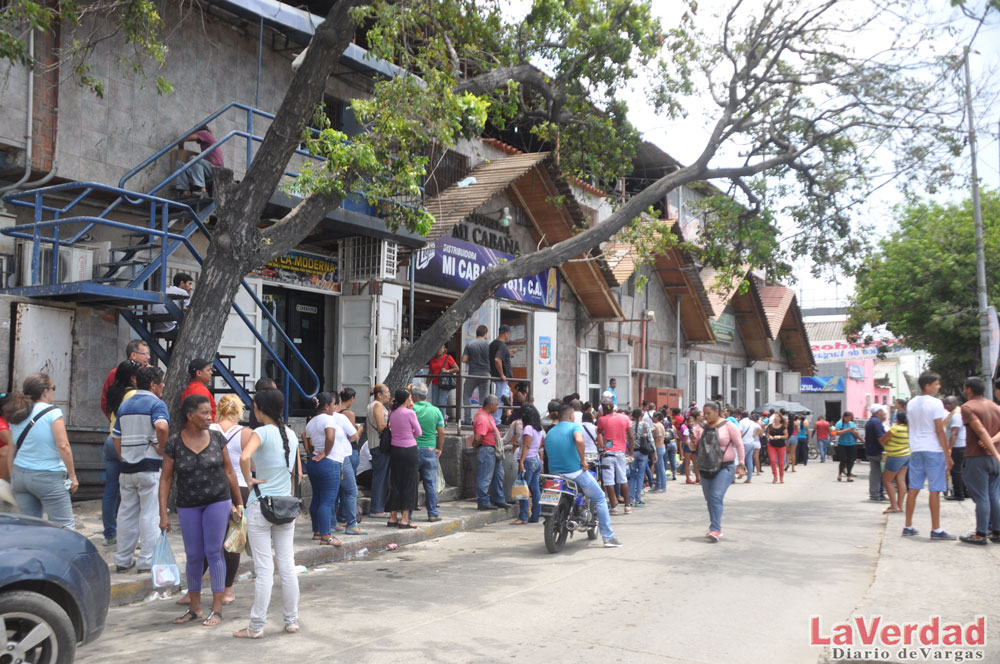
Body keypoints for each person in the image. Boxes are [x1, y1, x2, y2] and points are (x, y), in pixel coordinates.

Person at [160, 394, 243, 627]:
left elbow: (229, 472)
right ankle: (195, 607)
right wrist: (163, 513)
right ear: (190, 415)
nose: (209, 417)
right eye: (204, 413)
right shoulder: (175, 443)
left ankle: (216, 608)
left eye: (210, 413)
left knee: (214, 552)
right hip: (188, 505)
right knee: (194, 554)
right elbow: (165, 479)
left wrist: (239, 503)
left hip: (218, 501)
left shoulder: (218, 438)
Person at [233, 389, 300, 638]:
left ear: (260, 409)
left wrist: (249, 479)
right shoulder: (290, 434)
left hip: (261, 505)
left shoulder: (260, 432)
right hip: (285, 506)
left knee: (264, 570)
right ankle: (291, 621)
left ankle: (256, 626)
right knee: (287, 565)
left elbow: (244, 456)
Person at [113, 366, 169, 574]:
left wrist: (123, 456)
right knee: (149, 514)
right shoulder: (157, 404)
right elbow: (162, 427)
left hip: (127, 467)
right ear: (153, 385)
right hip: (150, 466)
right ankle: (146, 561)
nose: (163, 386)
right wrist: (162, 449)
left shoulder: (125, 405)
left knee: (126, 513)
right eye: (161, 383)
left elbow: (116, 436)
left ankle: (123, 559)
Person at [5, 373, 77, 528]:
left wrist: (13, 476)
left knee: (29, 527)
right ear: (45, 391)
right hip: (48, 476)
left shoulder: (17, 413)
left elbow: (12, 449)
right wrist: (72, 475)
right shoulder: (52, 412)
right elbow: (63, 445)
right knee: (64, 527)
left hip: (20, 475)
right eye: (53, 388)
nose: (53, 392)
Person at [546, 403, 622, 547]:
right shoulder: (575, 427)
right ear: (571, 415)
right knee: (600, 498)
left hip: (555, 474)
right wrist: (582, 461)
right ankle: (608, 538)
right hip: (574, 473)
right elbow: (579, 440)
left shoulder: (550, 432)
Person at [207, 394, 256, 603]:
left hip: (211, 488)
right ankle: (227, 590)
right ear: (239, 411)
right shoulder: (246, 433)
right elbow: (252, 464)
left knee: (207, 539)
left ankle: (194, 589)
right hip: (241, 489)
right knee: (234, 540)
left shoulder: (208, 430)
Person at [902, 371, 956, 540]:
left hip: (916, 448)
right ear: (928, 385)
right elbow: (939, 430)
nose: (938, 387)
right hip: (933, 448)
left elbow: (911, 427)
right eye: (936, 384)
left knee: (914, 487)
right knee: (935, 489)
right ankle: (936, 529)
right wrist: (947, 453)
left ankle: (908, 525)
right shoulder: (936, 403)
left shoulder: (910, 403)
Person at [688, 401, 746, 542]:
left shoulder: (728, 426)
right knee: (710, 500)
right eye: (704, 413)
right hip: (705, 467)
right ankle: (715, 527)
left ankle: (715, 528)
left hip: (724, 467)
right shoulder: (700, 427)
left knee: (715, 496)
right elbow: (692, 447)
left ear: (716, 411)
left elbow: (739, 444)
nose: (706, 416)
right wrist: (691, 441)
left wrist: (742, 465)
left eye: (708, 413)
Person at [957, 377, 1000, 546]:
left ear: (968, 389)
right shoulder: (994, 406)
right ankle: (996, 531)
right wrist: (995, 451)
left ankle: (980, 534)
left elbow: (980, 430)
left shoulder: (967, 407)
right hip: (994, 457)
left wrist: (991, 449)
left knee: (982, 497)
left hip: (977, 457)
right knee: (993, 495)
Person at [102, 360, 140, 546]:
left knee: (111, 490)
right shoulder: (133, 394)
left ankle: (110, 534)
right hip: (126, 443)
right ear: (133, 377)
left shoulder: (114, 392)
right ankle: (130, 536)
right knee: (131, 492)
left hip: (111, 440)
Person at [304, 393, 348, 546]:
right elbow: (330, 437)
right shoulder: (329, 419)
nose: (335, 408)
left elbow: (306, 439)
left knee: (317, 497)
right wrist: (326, 452)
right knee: (327, 501)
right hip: (330, 461)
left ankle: (317, 531)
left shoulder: (311, 422)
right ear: (326, 406)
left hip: (314, 462)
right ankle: (326, 535)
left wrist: (313, 453)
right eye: (334, 404)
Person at [386, 388, 422, 528]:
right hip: (409, 449)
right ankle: (405, 518)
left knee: (395, 482)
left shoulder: (392, 413)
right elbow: (418, 432)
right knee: (409, 483)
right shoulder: (410, 413)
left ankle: (393, 516)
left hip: (395, 449)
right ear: (406, 399)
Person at [410, 382, 444, 523]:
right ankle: (433, 513)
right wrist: (439, 448)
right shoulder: (436, 411)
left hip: (413, 448)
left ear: (414, 396)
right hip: (430, 449)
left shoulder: (411, 409)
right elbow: (441, 432)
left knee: (411, 482)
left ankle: (408, 514)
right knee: (430, 483)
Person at [597, 401, 633, 514]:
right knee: (623, 479)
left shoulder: (602, 420)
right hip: (621, 453)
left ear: (603, 409)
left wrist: (603, 445)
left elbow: (599, 432)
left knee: (608, 481)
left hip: (607, 453)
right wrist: (631, 452)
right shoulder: (625, 418)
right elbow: (631, 437)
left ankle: (613, 507)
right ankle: (627, 506)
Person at [512, 404, 545, 525]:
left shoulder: (528, 429)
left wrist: (521, 461)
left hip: (528, 460)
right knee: (535, 490)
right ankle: (535, 515)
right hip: (536, 460)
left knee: (523, 489)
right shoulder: (538, 428)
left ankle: (523, 517)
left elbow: (526, 445)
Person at [473, 394, 508, 510]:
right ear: (491, 405)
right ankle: (483, 501)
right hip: (487, 449)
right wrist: (475, 446)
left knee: (498, 476)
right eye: (497, 405)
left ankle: (499, 499)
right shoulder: (482, 418)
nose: (498, 407)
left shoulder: (487, 415)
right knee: (485, 477)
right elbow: (478, 437)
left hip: (493, 450)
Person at [101, 340, 151, 418]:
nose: (148, 357)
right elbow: (105, 402)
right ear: (134, 355)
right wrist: (115, 419)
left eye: (148, 354)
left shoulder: (150, 372)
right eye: (144, 354)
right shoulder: (116, 373)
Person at [173, 125, 224, 197]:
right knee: (179, 164)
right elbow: (181, 148)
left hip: (216, 169)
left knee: (193, 158)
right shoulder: (204, 143)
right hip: (207, 169)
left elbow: (186, 138)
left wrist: (182, 140)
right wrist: (181, 145)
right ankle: (186, 191)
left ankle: (202, 190)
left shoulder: (205, 133)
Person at [366, 384, 391, 516]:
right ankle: (376, 509)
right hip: (379, 445)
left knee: (381, 477)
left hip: (377, 445)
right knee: (380, 478)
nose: (389, 394)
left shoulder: (375, 405)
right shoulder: (376, 406)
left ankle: (379, 507)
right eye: (386, 392)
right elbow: (381, 426)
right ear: (379, 394)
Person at [879, 411, 910, 514]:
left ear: (898, 419)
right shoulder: (910, 429)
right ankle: (900, 505)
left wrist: (888, 446)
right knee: (901, 480)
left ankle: (893, 506)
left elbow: (883, 440)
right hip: (906, 455)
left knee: (887, 480)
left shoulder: (895, 428)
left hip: (895, 456)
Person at [461, 325, 491, 425]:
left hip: (473, 374)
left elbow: (464, 359)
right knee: (483, 399)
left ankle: (468, 420)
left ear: (476, 333)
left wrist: (472, 359)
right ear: (485, 334)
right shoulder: (488, 345)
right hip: (486, 374)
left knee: (467, 396)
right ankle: (482, 421)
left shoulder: (470, 344)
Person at [151, 272, 194, 340]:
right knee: (191, 334)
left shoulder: (165, 290)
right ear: (182, 283)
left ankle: (173, 349)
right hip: (168, 328)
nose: (191, 287)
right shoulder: (182, 292)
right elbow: (189, 309)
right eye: (189, 284)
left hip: (155, 328)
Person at [629, 408, 655, 507]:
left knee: (632, 476)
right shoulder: (645, 425)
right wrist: (654, 452)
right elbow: (650, 439)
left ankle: (630, 499)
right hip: (643, 452)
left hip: (632, 452)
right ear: (641, 416)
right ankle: (638, 499)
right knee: (640, 476)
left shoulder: (629, 425)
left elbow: (627, 438)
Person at [944, 396, 968, 502]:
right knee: (959, 470)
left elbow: (955, 433)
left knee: (955, 471)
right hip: (958, 446)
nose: (947, 406)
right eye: (946, 404)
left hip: (957, 447)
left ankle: (958, 494)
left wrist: (950, 449)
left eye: (950, 403)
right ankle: (964, 491)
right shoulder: (954, 414)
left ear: (956, 403)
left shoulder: (956, 415)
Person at [489, 325, 514, 426]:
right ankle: (497, 421)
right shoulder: (502, 346)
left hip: (494, 374)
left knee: (503, 392)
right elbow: (497, 359)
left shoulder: (492, 344)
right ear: (506, 333)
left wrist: (508, 353)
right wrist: (502, 374)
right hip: (501, 377)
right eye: (509, 333)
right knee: (499, 397)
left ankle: (506, 396)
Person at [428, 344, 458, 420]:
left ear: (444, 349)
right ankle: (437, 419)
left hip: (445, 383)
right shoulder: (432, 359)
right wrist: (426, 385)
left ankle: (442, 421)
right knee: (434, 403)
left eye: (440, 348)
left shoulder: (448, 357)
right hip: (435, 383)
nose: (438, 350)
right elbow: (430, 372)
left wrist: (447, 371)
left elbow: (457, 368)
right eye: (437, 348)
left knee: (442, 402)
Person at [864, 406, 888, 502]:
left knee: (876, 472)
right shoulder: (876, 422)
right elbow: (880, 437)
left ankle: (877, 493)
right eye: (883, 412)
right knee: (879, 473)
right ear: (878, 412)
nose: (884, 414)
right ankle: (876, 494)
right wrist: (886, 449)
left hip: (871, 451)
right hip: (878, 451)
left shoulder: (871, 421)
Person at [833, 412, 859, 482]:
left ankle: (849, 475)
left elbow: (857, 433)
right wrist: (847, 430)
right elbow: (837, 433)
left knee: (851, 461)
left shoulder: (852, 424)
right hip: (842, 444)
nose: (849, 419)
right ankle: (840, 474)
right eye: (848, 418)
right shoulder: (839, 423)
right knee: (843, 460)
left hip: (852, 444)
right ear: (844, 417)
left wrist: (853, 431)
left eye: (850, 418)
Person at [739, 410, 763, 484]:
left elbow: (740, 433)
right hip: (751, 443)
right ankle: (749, 478)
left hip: (744, 443)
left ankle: (740, 473)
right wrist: (755, 434)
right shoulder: (752, 422)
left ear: (741, 416)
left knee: (741, 459)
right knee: (749, 461)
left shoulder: (741, 422)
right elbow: (760, 429)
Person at [766, 411, 789, 484]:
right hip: (771, 445)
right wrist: (770, 437)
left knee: (781, 462)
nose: (775, 417)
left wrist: (779, 437)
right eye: (775, 416)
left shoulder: (783, 427)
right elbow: (767, 434)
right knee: (772, 461)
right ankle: (775, 476)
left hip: (781, 445)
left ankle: (781, 477)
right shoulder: (770, 426)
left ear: (780, 418)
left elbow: (786, 436)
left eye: (777, 416)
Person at [651, 412, 668, 492]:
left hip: (659, 448)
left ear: (656, 417)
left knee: (660, 468)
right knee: (658, 468)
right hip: (660, 447)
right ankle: (658, 485)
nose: (652, 418)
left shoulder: (657, 426)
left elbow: (658, 438)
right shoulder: (660, 425)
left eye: (653, 417)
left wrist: (655, 450)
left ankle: (663, 486)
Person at [682, 412, 701, 484]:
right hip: (688, 448)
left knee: (695, 463)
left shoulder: (696, 429)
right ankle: (688, 478)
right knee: (687, 463)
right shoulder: (686, 430)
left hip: (694, 448)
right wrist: (691, 446)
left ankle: (697, 478)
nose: (691, 423)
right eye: (689, 422)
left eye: (692, 421)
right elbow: (685, 441)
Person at [0, 393, 12, 483]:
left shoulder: (8, 421)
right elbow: (13, 442)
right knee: (6, 450)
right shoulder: (1, 424)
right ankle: (2, 482)